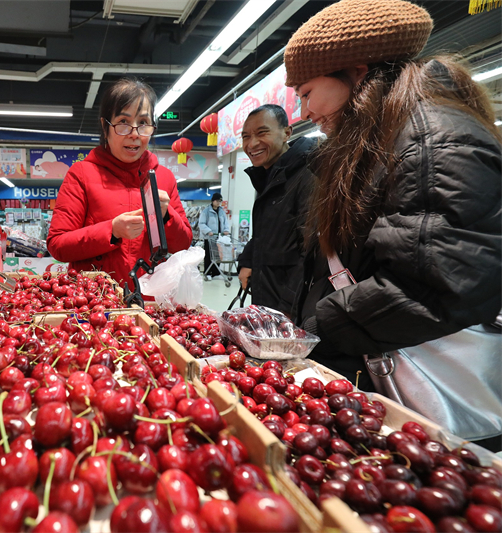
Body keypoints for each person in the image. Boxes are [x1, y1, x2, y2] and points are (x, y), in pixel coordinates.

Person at [283, 0, 501, 386]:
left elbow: (436, 283)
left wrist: (320, 330)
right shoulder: (377, 139)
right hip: (369, 362)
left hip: (425, 388)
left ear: (356, 72)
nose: (305, 112)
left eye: (307, 92)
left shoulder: (432, 141)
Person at [47, 77, 193, 290]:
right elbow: (57, 245)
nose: (134, 134)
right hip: (95, 302)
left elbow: (183, 244)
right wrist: (111, 231)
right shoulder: (81, 174)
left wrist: (166, 215)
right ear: (105, 127)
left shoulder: (164, 178)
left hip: (151, 300)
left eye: (143, 123)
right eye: (123, 122)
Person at [237, 104, 316, 314]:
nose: (252, 143)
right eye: (245, 136)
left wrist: (289, 308)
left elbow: (312, 251)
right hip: (268, 299)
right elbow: (266, 233)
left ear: (286, 133)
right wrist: (247, 260)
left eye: (262, 133)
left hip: (292, 307)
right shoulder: (268, 178)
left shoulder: (308, 173)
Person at [198, 193, 230, 280]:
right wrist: (209, 231)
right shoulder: (206, 211)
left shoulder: (221, 211)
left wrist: (226, 230)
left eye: (220, 201)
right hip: (209, 238)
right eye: (218, 201)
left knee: (217, 256)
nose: (219, 203)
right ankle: (207, 273)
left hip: (219, 238)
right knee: (208, 255)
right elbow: (201, 223)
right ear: (213, 201)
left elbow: (225, 222)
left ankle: (215, 273)